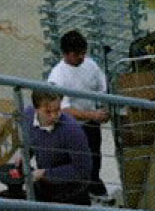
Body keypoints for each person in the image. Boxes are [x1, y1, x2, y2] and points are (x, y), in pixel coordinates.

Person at [21, 89, 97, 211]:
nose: (55, 116)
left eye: (58, 110)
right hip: (48, 188)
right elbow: (31, 140)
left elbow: (83, 170)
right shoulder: (27, 116)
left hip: (73, 192)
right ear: (36, 109)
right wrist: (25, 155)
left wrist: (45, 173)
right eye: (49, 111)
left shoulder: (72, 130)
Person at [46, 30, 111, 199]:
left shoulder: (90, 65)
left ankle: (93, 184)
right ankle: (79, 192)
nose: (82, 57)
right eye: (78, 54)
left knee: (95, 156)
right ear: (67, 54)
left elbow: (102, 88)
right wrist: (93, 115)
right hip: (71, 128)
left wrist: (104, 109)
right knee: (76, 161)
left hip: (91, 124)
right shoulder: (58, 77)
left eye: (83, 53)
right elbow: (64, 109)